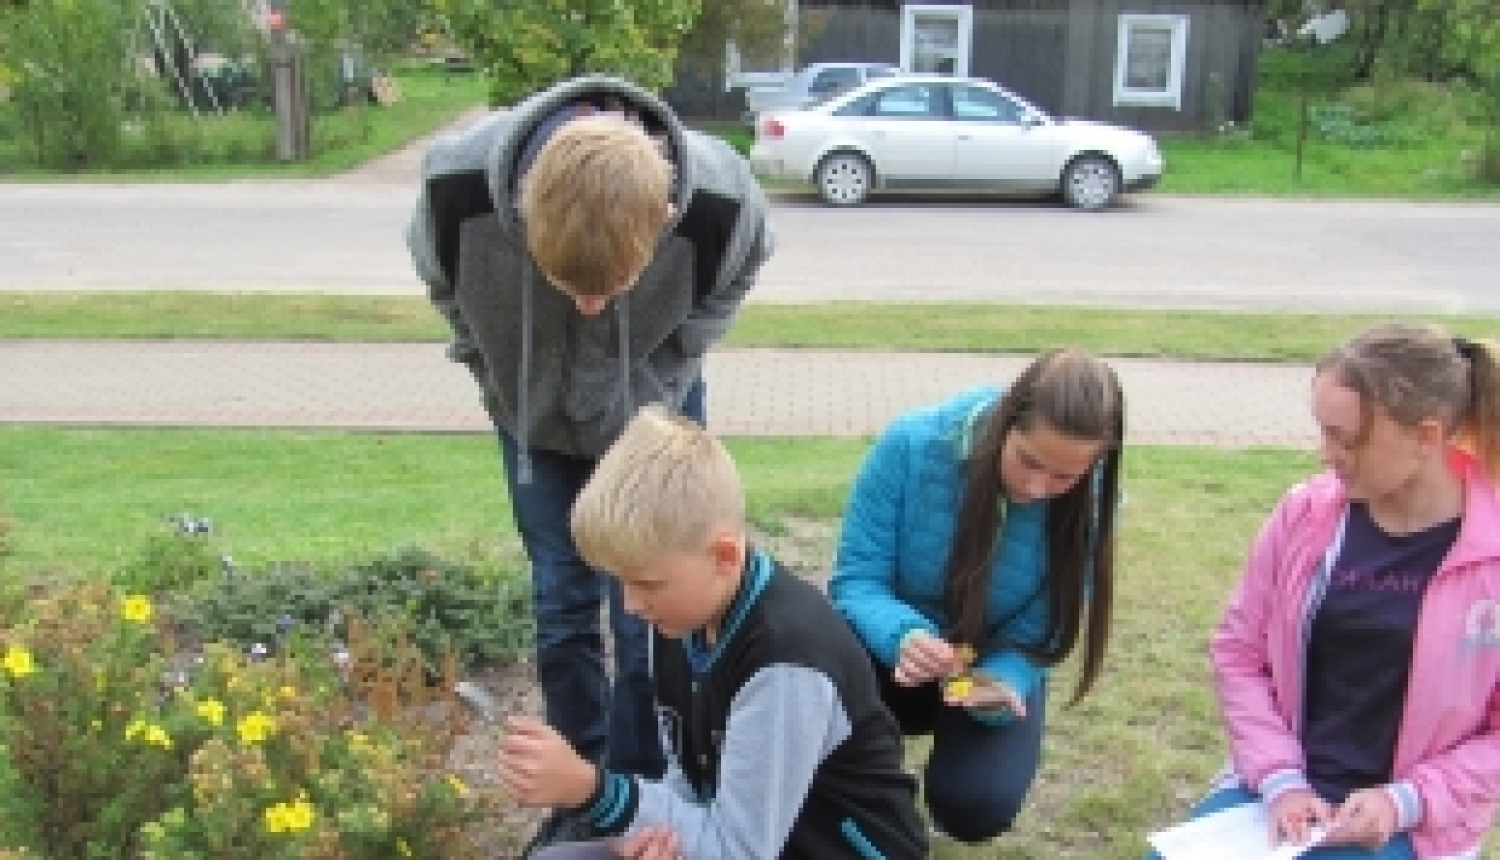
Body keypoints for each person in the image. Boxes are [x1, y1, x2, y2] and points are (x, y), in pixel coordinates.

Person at [406, 76, 772, 846]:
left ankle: (650, 792)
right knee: (563, 601)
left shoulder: (718, 197)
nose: (590, 308)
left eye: (611, 288)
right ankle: (581, 796)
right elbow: (440, 280)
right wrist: (494, 368)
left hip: (654, 412)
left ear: (664, 221)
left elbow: (744, 265)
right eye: (568, 285)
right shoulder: (456, 186)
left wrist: (672, 362)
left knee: (654, 606)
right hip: (533, 422)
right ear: (522, 218)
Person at [497, 405, 929, 860]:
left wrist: (592, 790)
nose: (629, 604)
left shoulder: (787, 662)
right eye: (619, 581)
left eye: (646, 583)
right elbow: (688, 780)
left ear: (723, 557)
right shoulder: (680, 615)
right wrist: (651, 840)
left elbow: (738, 850)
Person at [1146, 323, 1500, 860]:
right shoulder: (1304, 515)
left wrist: (1402, 802)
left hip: (1413, 819)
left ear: (1426, 437)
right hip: (1278, 790)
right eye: (1323, 431)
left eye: (1346, 438)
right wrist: (1281, 779)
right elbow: (1239, 652)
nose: (1325, 454)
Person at [829, 348, 1126, 844]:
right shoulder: (909, 445)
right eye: (1028, 461)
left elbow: (1042, 633)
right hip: (891, 656)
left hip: (974, 677)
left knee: (976, 805)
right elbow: (857, 580)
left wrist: (1000, 683)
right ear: (1006, 418)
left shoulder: (1095, 501)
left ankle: (950, 791)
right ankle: (855, 800)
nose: (1037, 487)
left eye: (1065, 477)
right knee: (818, 717)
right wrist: (904, 636)